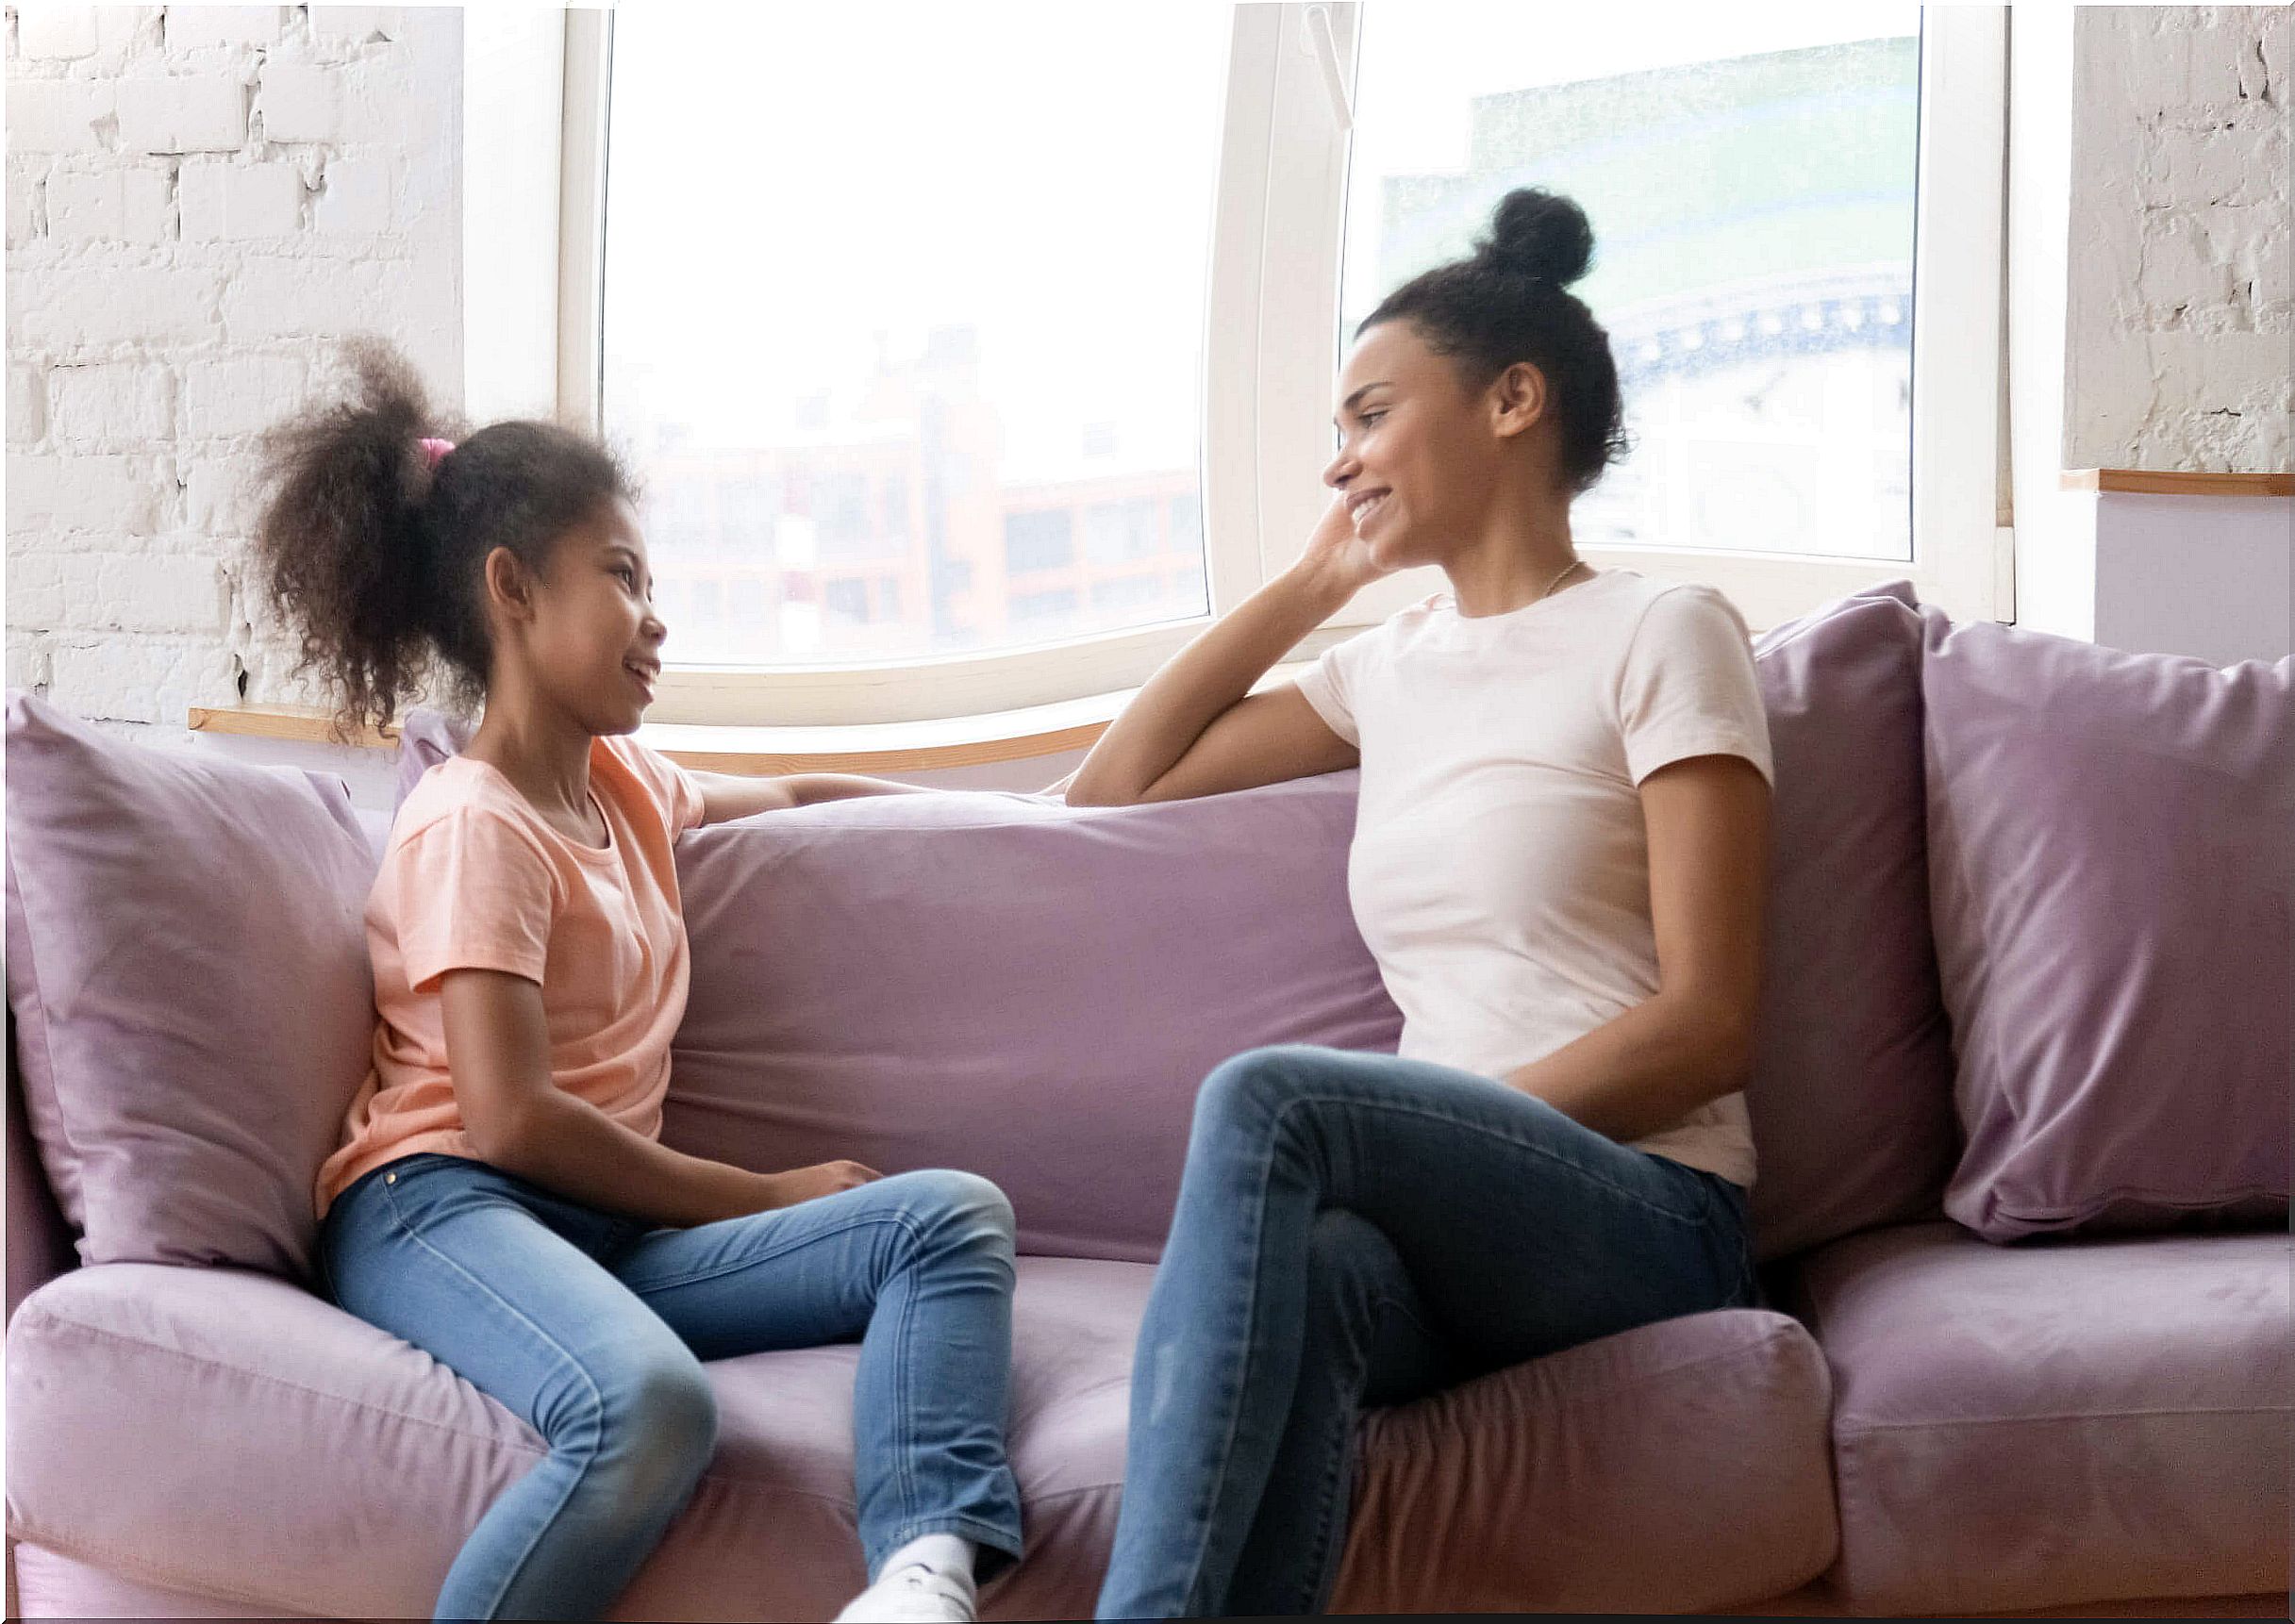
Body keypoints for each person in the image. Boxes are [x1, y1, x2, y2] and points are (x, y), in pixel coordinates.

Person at [1069, 188, 1773, 1617]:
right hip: (1438, 1218)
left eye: (1369, 416)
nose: (1343, 462)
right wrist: (1313, 580)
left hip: (1644, 1204)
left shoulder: (1662, 631)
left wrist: (1459, 1134)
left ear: (1512, 400)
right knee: (1316, 1268)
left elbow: (1709, 1025)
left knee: (1274, 1101)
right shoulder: (1388, 667)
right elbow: (1112, 790)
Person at [258, 343, 1022, 1624]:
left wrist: (1023, 819)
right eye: (620, 575)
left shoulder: (626, 787)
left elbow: (791, 794)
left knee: (943, 1218)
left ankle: (923, 1572)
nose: (654, 614)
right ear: (511, 590)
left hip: (606, 1233)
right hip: (440, 1203)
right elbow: (508, 1118)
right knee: (647, 1401)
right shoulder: (473, 820)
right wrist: (763, 1193)